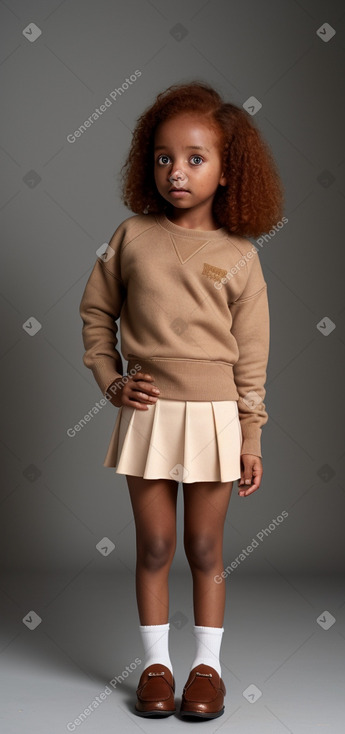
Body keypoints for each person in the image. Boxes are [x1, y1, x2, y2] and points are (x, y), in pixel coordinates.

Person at [79, 80, 284, 719]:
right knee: (155, 547)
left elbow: (252, 357)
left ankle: (207, 669)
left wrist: (250, 434)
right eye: (165, 157)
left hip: (217, 418)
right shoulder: (131, 236)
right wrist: (111, 382)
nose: (177, 171)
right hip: (149, 416)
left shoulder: (241, 257)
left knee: (204, 548)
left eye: (196, 158)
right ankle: (156, 667)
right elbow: (95, 315)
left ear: (228, 172)